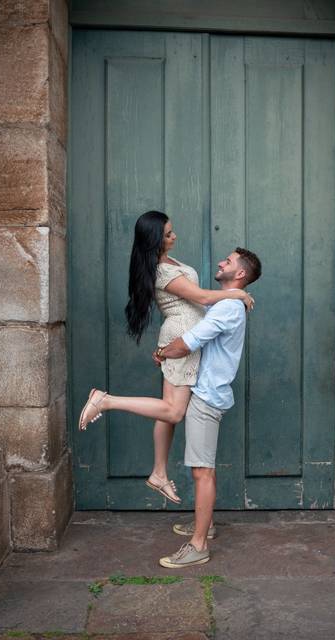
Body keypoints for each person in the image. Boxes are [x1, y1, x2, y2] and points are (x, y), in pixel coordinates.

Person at [81, 245, 262, 568]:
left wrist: (166, 352)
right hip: (205, 390)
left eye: (228, 261)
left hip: (206, 397)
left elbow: (189, 343)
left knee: (202, 472)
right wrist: (168, 351)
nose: (221, 262)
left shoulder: (226, 308)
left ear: (240, 274)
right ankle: (202, 525)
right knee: (199, 467)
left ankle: (198, 545)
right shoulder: (227, 305)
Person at [78, 210, 253, 506]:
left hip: (180, 337)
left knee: (166, 412)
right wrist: (237, 295)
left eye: (172, 231)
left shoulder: (170, 263)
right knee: (173, 412)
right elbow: (200, 298)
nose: (175, 237)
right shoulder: (161, 271)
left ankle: (159, 472)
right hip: (183, 337)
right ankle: (105, 401)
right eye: (169, 234)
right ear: (156, 240)